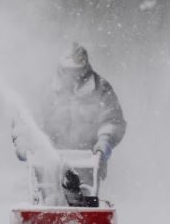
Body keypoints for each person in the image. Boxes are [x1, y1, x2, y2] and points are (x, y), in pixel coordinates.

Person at [12, 43, 127, 203]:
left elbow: (112, 119)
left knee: (83, 202)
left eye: (79, 72)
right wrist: (23, 141)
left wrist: (104, 144)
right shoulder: (44, 89)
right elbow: (26, 119)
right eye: (70, 72)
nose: (74, 77)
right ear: (61, 69)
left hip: (88, 161)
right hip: (47, 162)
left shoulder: (101, 89)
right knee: (49, 202)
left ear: (86, 68)